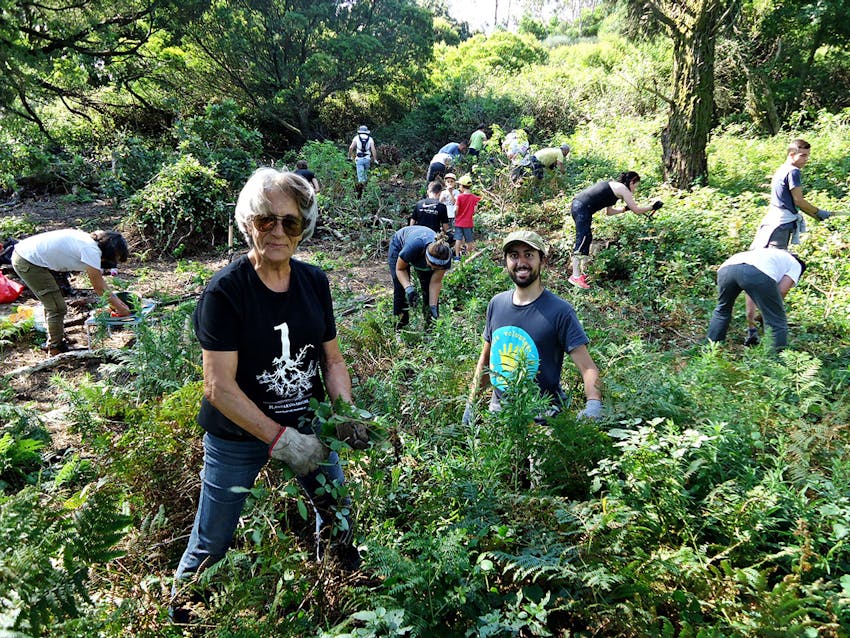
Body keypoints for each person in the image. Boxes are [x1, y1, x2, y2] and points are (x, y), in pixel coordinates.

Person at [171, 169, 363, 621]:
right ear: (248, 224)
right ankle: (182, 614)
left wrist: (346, 411)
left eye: (290, 222)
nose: (278, 231)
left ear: (304, 228)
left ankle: (340, 589)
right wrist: (281, 440)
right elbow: (218, 387)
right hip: (237, 437)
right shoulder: (226, 291)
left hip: (307, 424)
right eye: (266, 221)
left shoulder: (315, 282)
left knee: (336, 512)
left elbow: (332, 360)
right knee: (213, 537)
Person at [463, 230, 602, 425]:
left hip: (543, 419)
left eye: (528, 254)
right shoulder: (496, 304)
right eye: (514, 256)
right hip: (500, 415)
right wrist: (472, 403)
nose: (521, 262)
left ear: (542, 261)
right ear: (506, 261)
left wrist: (593, 403)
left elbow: (588, 368)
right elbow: (486, 361)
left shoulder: (560, 311)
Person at [11, 229, 131, 355]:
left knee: (54, 302)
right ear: (109, 252)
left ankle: (57, 338)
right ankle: (55, 348)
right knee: (57, 307)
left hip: (34, 257)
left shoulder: (89, 244)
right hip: (28, 260)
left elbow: (101, 284)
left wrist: (116, 305)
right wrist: (120, 308)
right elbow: (99, 287)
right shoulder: (91, 250)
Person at [568, 171, 663, 289]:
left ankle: (583, 273)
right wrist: (652, 207)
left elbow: (609, 212)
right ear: (632, 182)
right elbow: (637, 210)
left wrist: (624, 209)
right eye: (636, 186)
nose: (635, 190)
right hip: (581, 207)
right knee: (582, 239)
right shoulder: (623, 189)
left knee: (587, 238)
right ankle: (575, 276)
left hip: (580, 206)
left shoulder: (614, 187)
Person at [707, 247, 805, 351]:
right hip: (756, 272)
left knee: (722, 310)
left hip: (727, 268)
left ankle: (710, 350)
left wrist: (752, 318)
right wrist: (769, 312)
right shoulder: (796, 265)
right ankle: (775, 362)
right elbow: (782, 291)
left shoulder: (771, 255)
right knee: (776, 321)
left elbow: (751, 290)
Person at [750, 139, 838, 250]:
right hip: (781, 224)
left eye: (808, 155)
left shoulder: (782, 169)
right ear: (792, 154)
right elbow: (799, 201)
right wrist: (819, 212)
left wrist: (817, 216)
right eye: (803, 155)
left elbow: (794, 203)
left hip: (773, 222)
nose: (806, 159)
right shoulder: (793, 171)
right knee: (777, 260)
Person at [387, 226, 453, 329]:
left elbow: (435, 282)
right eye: (431, 265)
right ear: (426, 256)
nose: (432, 269)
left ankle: (431, 328)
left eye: (436, 268)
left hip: (419, 253)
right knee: (400, 289)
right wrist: (408, 288)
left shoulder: (445, 256)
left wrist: (433, 306)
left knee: (427, 289)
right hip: (399, 245)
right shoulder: (414, 247)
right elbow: (400, 269)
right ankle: (400, 328)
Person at [453, 174, 482, 261]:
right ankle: (469, 257)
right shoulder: (474, 198)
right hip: (468, 222)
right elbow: (475, 210)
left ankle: (457, 257)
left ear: (462, 186)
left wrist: (456, 216)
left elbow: (455, 209)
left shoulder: (459, 197)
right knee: (469, 240)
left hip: (459, 222)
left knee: (458, 239)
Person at [348, 125, 378, 199]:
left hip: (359, 159)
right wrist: (375, 159)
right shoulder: (370, 139)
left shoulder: (356, 137)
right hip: (367, 159)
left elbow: (351, 147)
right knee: (365, 176)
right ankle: (367, 193)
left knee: (360, 178)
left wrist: (349, 156)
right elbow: (373, 149)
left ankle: (361, 196)